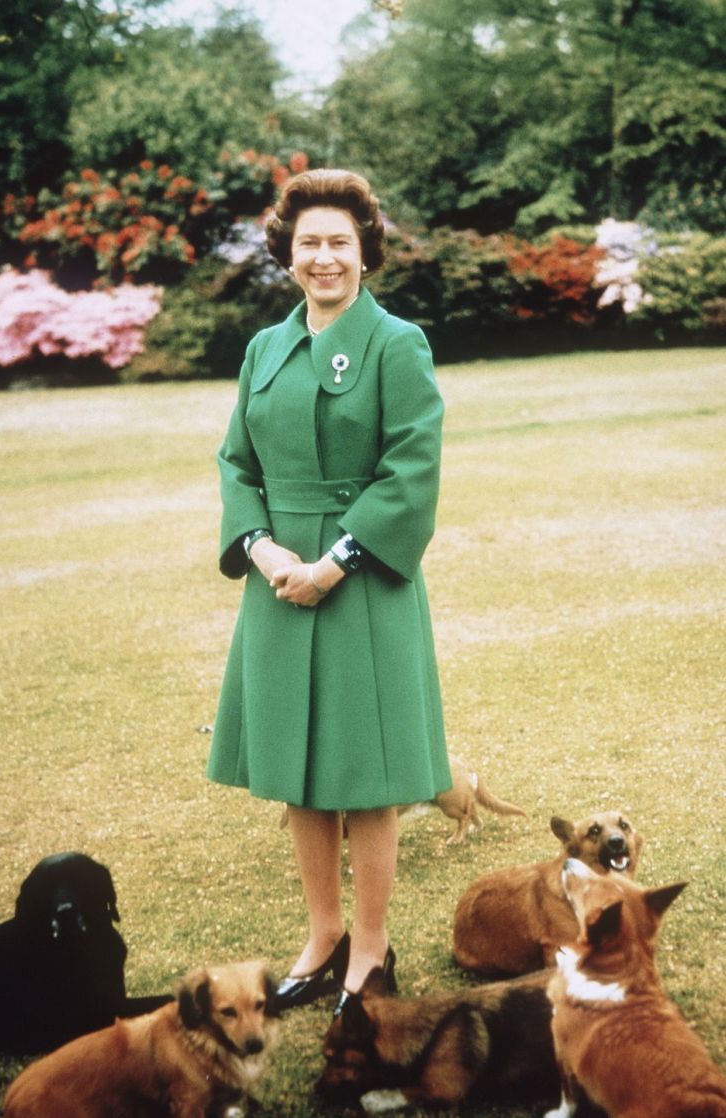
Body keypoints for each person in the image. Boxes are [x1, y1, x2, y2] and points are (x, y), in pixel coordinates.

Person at [207, 168, 451, 1015]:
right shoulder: (262, 349)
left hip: (364, 584)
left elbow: (412, 470)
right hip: (278, 585)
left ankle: (371, 952)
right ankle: (322, 936)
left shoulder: (397, 343)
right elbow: (237, 463)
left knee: (365, 776)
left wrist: (334, 561)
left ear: (365, 250)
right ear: (287, 251)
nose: (324, 258)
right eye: (308, 242)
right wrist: (264, 549)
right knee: (297, 771)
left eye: (339, 243)